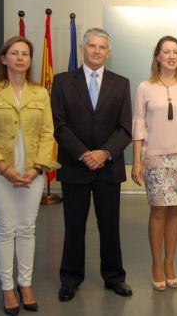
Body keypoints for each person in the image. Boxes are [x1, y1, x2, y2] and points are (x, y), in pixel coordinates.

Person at [0, 36, 60, 315]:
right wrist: (5, 168)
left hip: (32, 173)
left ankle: (26, 284)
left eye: (25, 53)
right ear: (4, 59)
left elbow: (49, 133)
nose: (21, 57)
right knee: (5, 228)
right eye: (15, 53)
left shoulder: (40, 93)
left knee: (27, 228)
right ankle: (8, 288)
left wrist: (37, 169)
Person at [51, 28, 133, 301]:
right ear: (82, 49)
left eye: (102, 47)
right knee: (74, 226)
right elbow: (59, 126)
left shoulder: (121, 83)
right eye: (92, 46)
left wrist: (104, 153)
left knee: (110, 226)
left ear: (108, 53)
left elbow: (125, 128)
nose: (97, 51)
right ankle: (70, 278)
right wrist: (84, 153)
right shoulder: (62, 82)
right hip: (75, 167)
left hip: (108, 167)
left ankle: (114, 277)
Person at [131, 35, 177, 291]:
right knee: (159, 210)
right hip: (155, 157)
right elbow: (138, 125)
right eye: (166, 51)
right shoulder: (145, 87)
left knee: (175, 211)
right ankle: (156, 265)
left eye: (176, 52)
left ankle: (170, 263)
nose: (171, 56)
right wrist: (137, 162)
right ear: (157, 56)